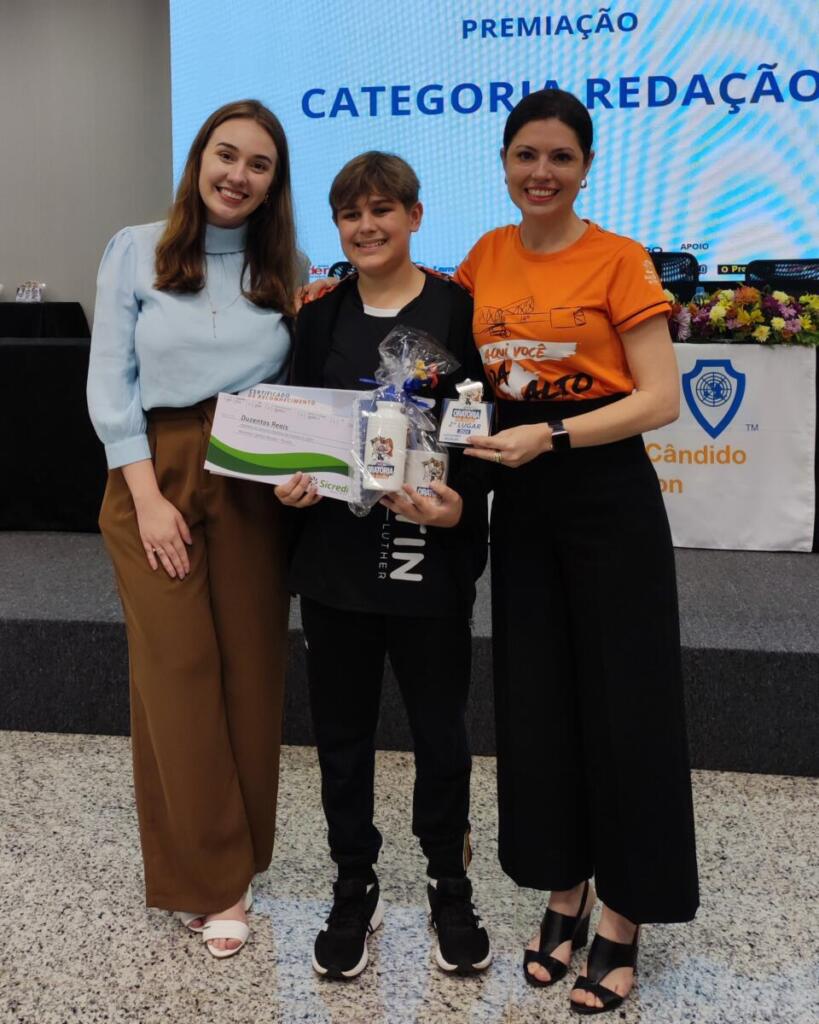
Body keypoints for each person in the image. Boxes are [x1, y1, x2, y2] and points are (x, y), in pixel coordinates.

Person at [456, 89, 699, 1014]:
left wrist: (551, 436)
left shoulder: (618, 258)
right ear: (503, 162)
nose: (541, 172)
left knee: (625, 702)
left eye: (560, 156)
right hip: (521, 502)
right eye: (525, 154)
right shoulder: (484, 257)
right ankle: (565, 889)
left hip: (604, 496)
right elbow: (452, 373)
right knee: (538, 701)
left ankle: (625, 911)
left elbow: (658, 398)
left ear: (586, 166)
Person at [87, 99, 301, 959]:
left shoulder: (286, 267)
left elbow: (296, 391)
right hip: (155, 469)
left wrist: (301, 471)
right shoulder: (135, 249)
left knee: (250, 671)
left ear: (273, 184)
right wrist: (145, 496)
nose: (237, 175)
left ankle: (235, 866)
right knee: (175, 671)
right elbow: (110, 381)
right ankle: (209, 877)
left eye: (258, 165)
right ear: (199, 158)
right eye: (226, 154)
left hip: (251, 477)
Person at [277, 151, 493, 979]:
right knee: (341, 733)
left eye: (381, 210)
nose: (366, 227)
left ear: (414, 216)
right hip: (336, 564)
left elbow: (481, 431)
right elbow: (297, 424)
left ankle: (448, 882)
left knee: (441, 733)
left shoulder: (459, 313)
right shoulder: (320, 318)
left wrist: (460, 504)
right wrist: (290, 484)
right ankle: (353, 882)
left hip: (427, 560)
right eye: (351, 214)